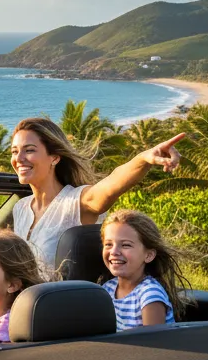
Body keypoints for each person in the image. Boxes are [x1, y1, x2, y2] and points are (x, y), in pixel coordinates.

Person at [9, 117, 185, 278]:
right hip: (23, 308)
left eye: (29, 150)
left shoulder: (75, 202)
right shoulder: (21, 208)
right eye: (14, 152)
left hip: (58, 308)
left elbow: (111, 186)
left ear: (54, 158)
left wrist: (143, 160)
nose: (19, 158)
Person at [100, 209, 191, 329]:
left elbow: (152, 345)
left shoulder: (149, 295)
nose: (114, 252)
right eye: (108, 244)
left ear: (148, 255)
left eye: (126, 245)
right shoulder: (107, 289)